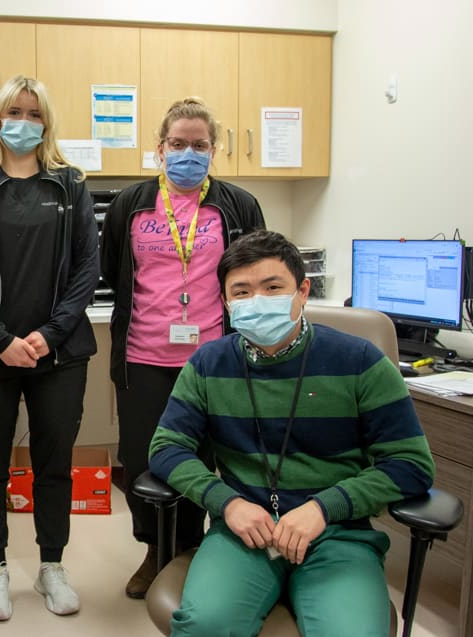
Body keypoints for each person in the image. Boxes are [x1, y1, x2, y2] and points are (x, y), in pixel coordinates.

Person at [149, 230, 435, 636]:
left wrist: (324, 508)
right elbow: (166, 448)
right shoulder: (209, 363)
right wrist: (227, 503)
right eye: (242, 292)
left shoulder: (360, 362)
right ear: (227, 303)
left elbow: (411, 464)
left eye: (272, 288)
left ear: (302, 291)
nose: (257, 301)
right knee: (205, 626)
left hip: (336, 536)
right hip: (242, 532)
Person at [99, 97, 265, 599]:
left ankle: (193, 550)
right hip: (144, 356)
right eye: (178, 144)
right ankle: (154, 549)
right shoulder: (132, 203)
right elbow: (113, 269)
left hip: (216, 359)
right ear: (160, 149)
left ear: (214, 151)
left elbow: (256, 275)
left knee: (204, 457)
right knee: (141, 457)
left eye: (199, 145)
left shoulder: (237, 205)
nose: (187, 153)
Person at [0, 75, 99, 621]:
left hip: (59, 354)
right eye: (15, 111)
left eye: (34, 114)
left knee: (53, 464)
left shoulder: (70, 184)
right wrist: (3, 339)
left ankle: (51, 566)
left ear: (47, 123)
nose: (24, 122)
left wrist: (50, 333)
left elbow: (88, 267)